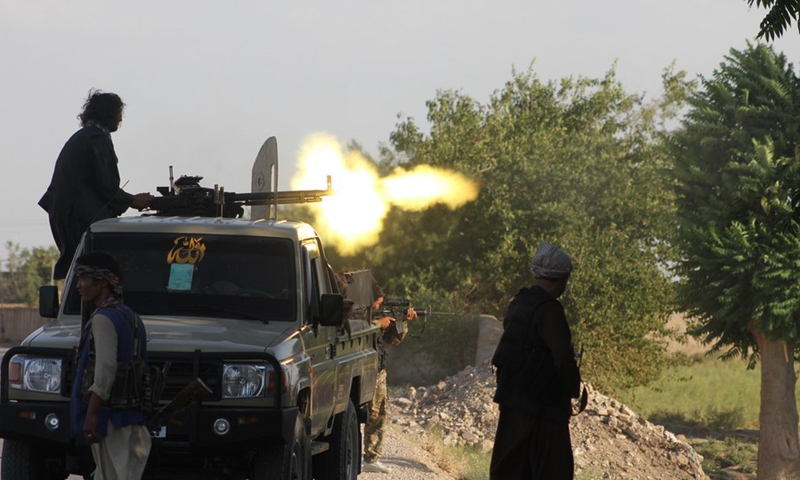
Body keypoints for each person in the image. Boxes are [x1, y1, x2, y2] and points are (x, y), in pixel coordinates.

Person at [489, 241, 582, 480]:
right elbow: (562, 357)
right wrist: (573, 389)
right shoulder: (549, 309)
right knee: (553, 471)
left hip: (512, 402)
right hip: (543, 408)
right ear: (563, 279)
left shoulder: (518, 303)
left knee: (511, 470)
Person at [39, 90, 153, 280]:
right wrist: (133, 200)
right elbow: (107, 186)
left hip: (67, 213)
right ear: (108, 113)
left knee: (82, 269)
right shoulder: (97, 139)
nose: (120, 120)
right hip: (78, 217)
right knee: (94, 270)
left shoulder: (84, 136)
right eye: (118, 114)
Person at [70, 252, 152, 479]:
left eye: (83, 278)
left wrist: (91, 415)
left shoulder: (103, 318)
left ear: (102, 282)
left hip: (111, 421)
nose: (79, 285)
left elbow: (105, 372)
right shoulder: (131, 316)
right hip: (130, 419)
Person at [362, 283, 417, 474]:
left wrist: (403, 322)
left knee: (379, 415)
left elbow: (393, 340)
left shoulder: (378, 317)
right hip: (363, 370)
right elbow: (354, 329)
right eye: (376, 304)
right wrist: (378, 323)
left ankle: (371, 458)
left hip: (379, 371)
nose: (378, 307)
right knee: (365, 414)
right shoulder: (358, 315)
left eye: (380, 304)